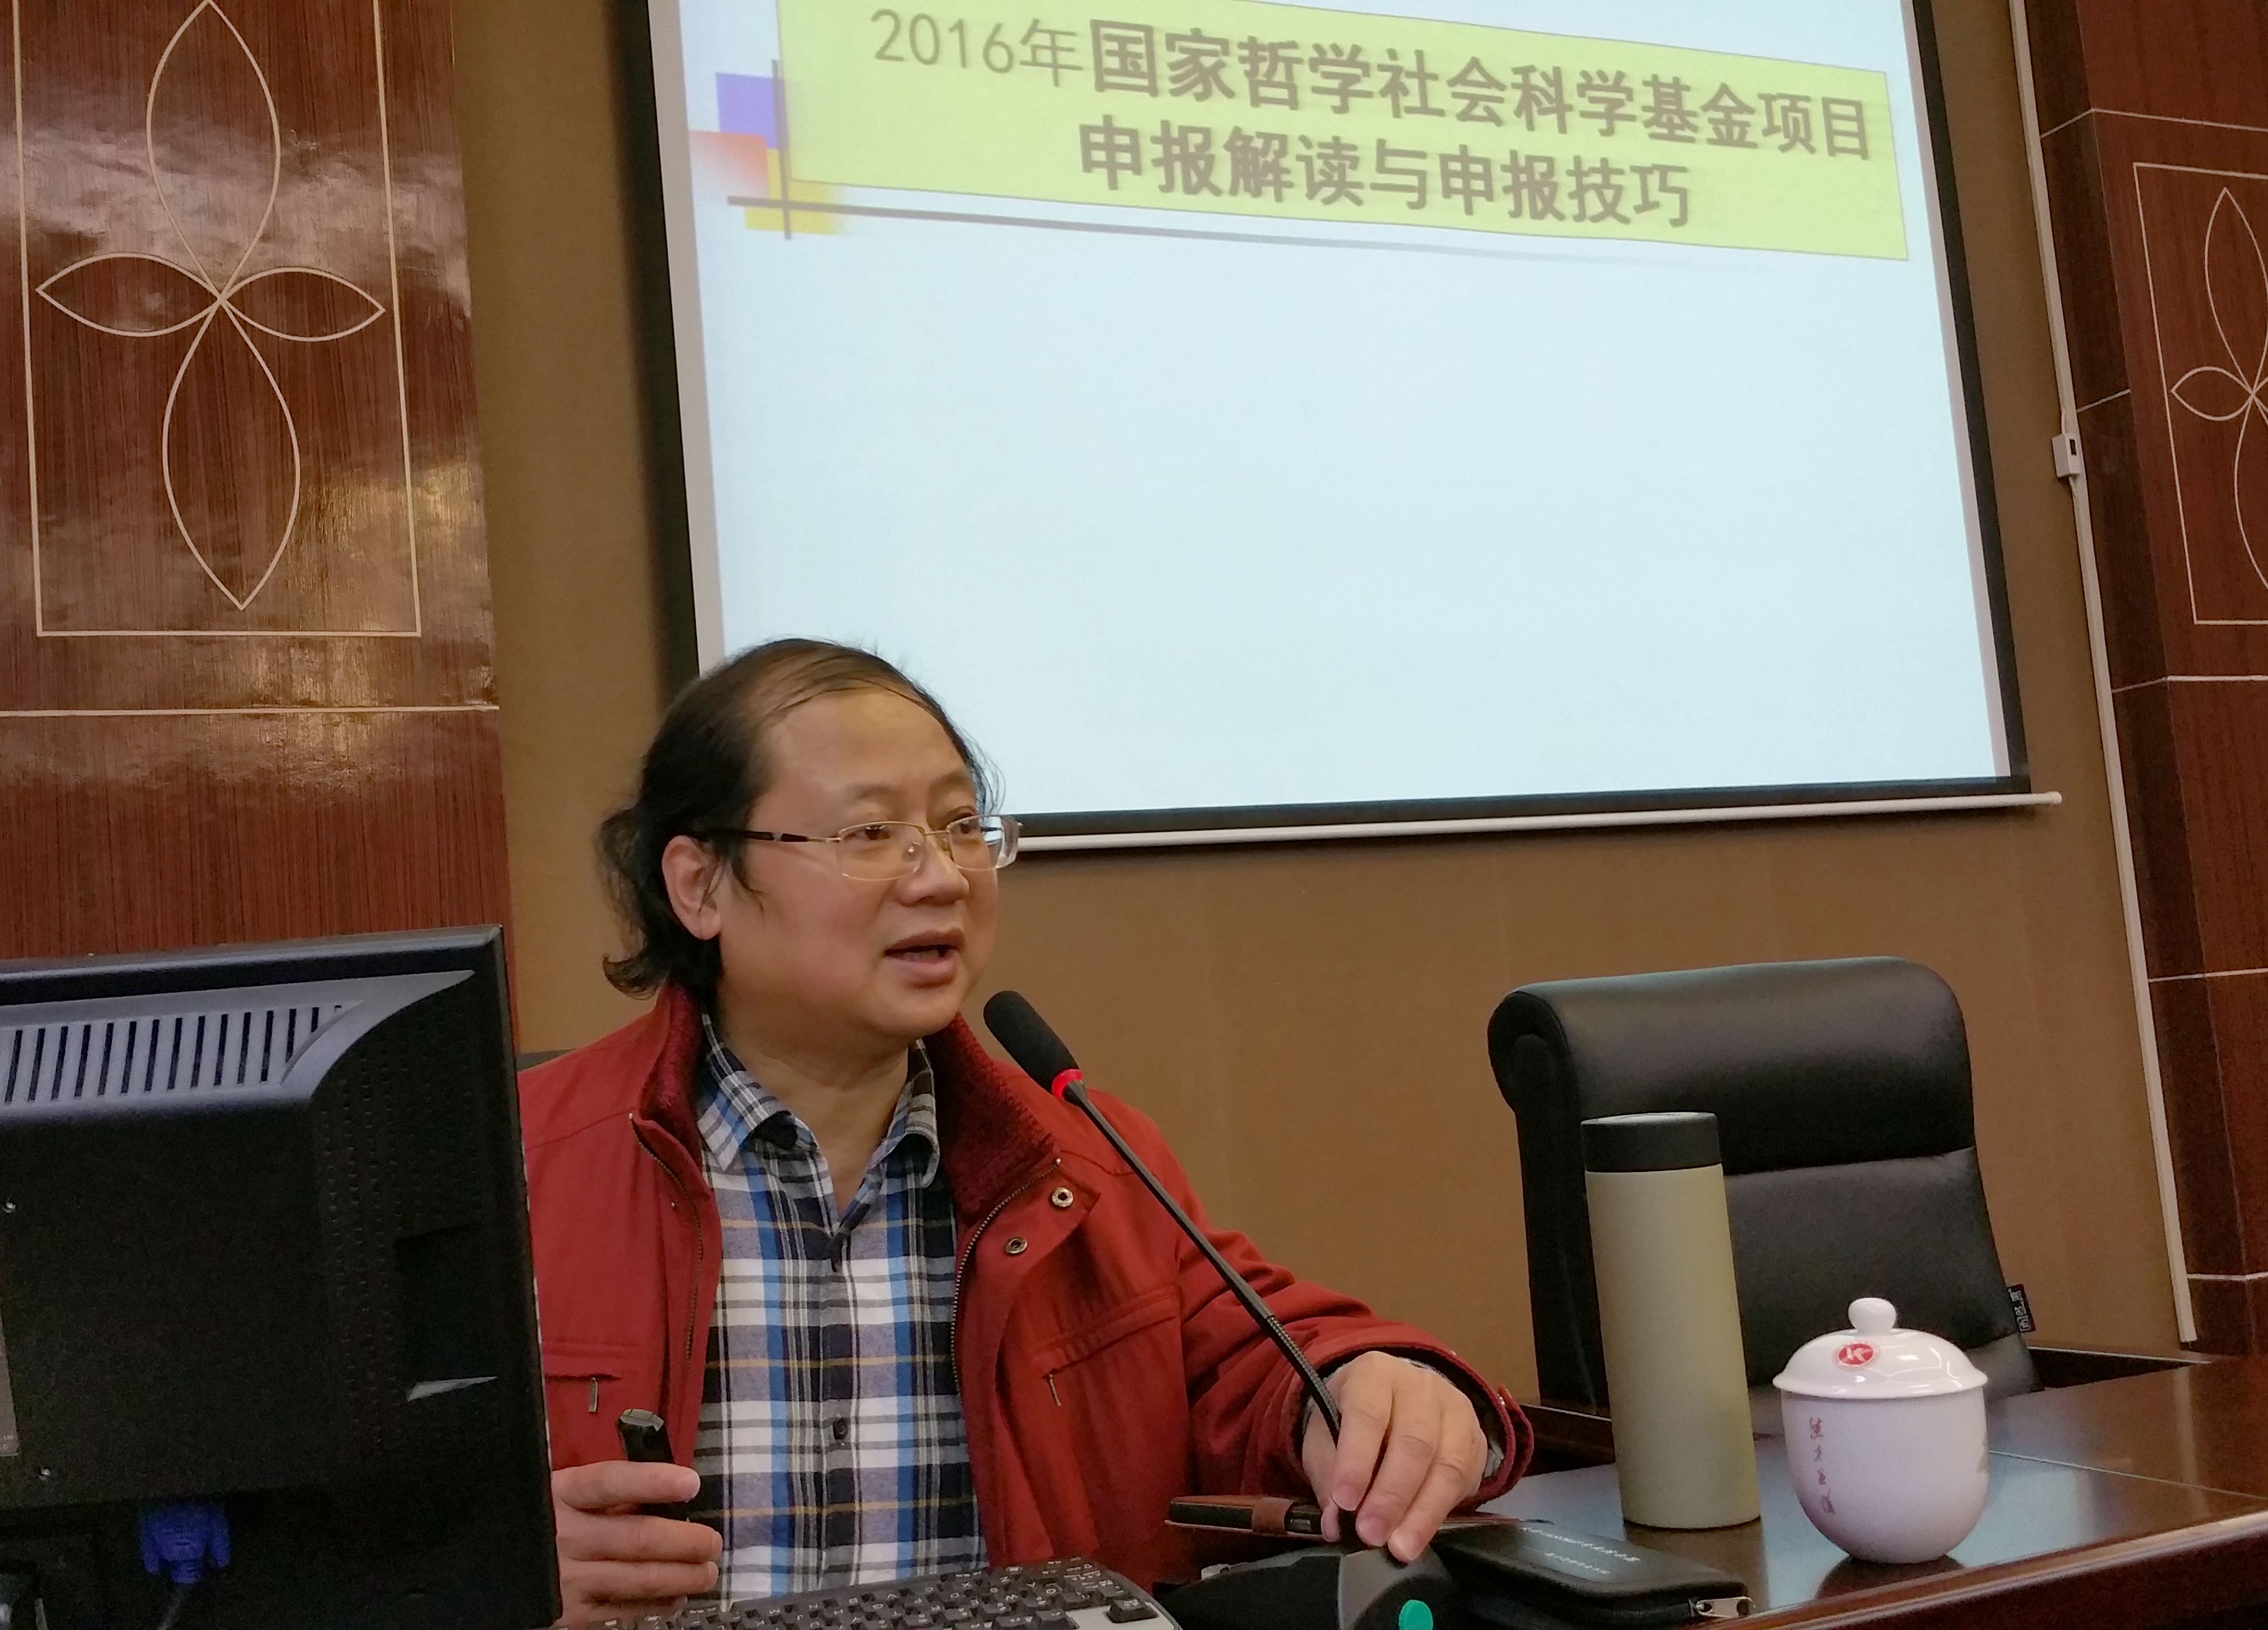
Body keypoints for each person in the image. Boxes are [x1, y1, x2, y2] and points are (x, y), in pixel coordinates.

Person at [519, 640, 1532, 1623]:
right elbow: (416, 1522)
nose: (940, 877)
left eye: (961, 825)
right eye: (869, 834)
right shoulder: (518, 1169)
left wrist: (1373, 1388)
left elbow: (1263, 1362)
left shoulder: (1074, 1161)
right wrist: (492, 1571)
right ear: (699, 885)